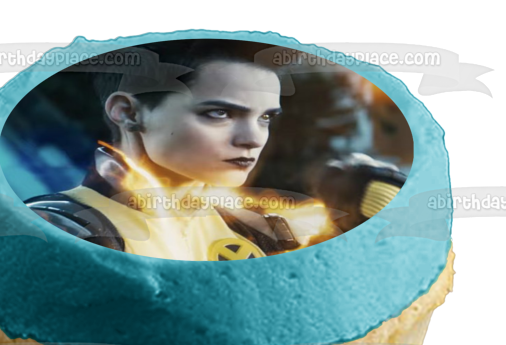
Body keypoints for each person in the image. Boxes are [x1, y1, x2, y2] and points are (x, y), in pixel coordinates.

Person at [24, 40, 406, 260]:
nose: (252, 138)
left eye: (265, 118)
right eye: (219, 113)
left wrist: (347, 235)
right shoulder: (60, 228)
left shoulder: (258, 226)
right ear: (128, 112)